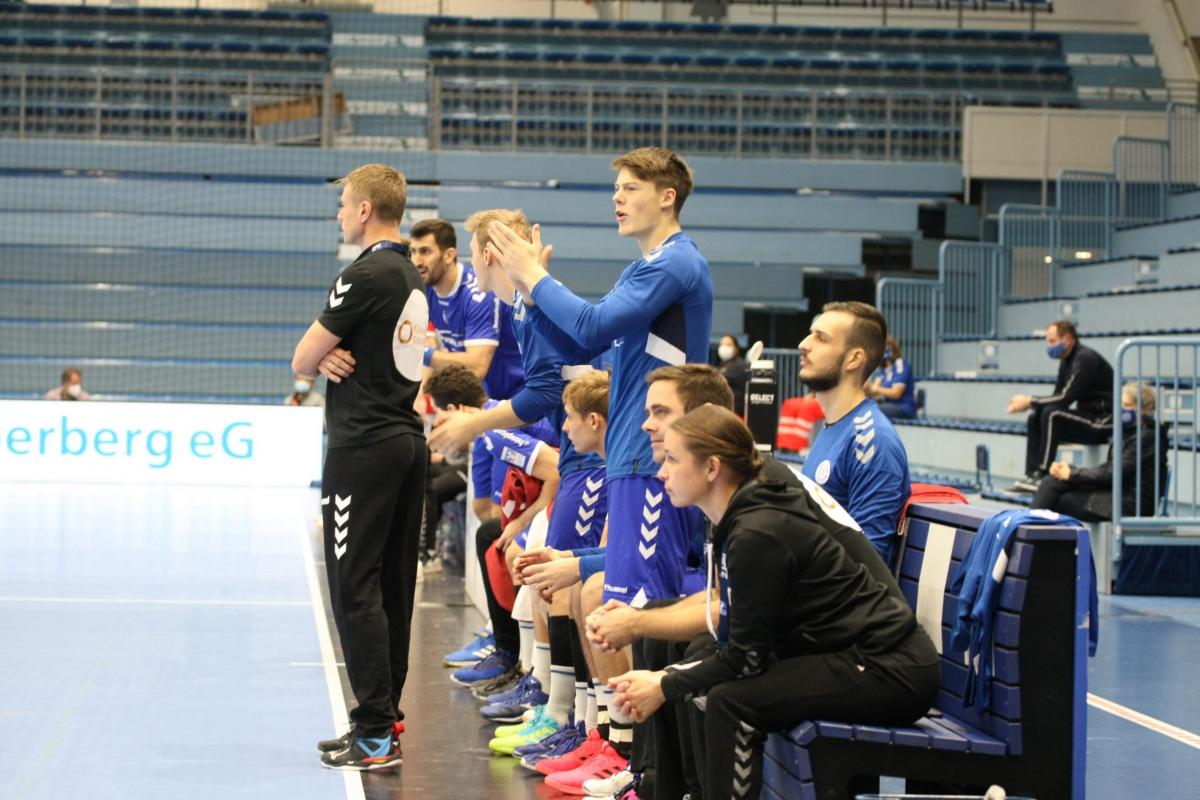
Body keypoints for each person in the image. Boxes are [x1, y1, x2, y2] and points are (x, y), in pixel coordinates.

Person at [485, 148, 713, 796]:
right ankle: (626, 756)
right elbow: (583, 344)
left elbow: (590, 323)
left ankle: (648, 771)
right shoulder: (647, 268)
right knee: (619, 605)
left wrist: (533, 276)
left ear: (667, 196)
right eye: (617, 187)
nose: (617, 197)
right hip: (632, 457)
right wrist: (530, 296)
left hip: (654, 458)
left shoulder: (676, 262)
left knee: (638, 612)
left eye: (631, 186)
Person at [609, 405, 940, 800]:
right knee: (704, 666)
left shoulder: (758, 532)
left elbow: (746, 659)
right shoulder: (739, 517)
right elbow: (738, 639)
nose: (662, 472)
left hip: (891, 667)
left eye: (673, 460)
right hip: (851, 654)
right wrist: (668, 674)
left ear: (712, 468)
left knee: (732, 702)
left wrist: (665, 684)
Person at [292, 163, 427, 771]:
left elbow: (302, 358)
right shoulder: (409, 273)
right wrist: (330, 357)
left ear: (367, 210)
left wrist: (320, 359)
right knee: (392, 586)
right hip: (403, 440)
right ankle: (383, 720)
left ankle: (373, 731)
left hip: (364, 446)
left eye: (345, 204)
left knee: (354, 586)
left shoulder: (364, 273)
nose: (340, 215)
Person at [797, 301, 911, 565]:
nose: (804, 344)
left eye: (821, 338)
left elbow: (867, 563)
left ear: (854, 359)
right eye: (810, 334)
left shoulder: (872, 440)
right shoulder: (833, 427)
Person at [410, 218, 525, 401]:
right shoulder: (425, 290)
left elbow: (477, 366)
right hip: (486, 397)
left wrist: (420, 353)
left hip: (521, 396)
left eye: (425, 252)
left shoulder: (478, 295)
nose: (416, 261)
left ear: (449, 255)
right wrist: (421, 394)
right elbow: (425, 342)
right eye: (413, 252)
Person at [1031, 381, 1169, 521]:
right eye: (1120, 404)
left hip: (1133, 503)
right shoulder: (1128, 432)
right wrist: (1068, 472)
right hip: (1116, 492)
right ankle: (1026, 528)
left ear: (1143, 410)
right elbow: (1110, 471)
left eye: (1127, 405)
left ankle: (1027, 529)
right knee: (1052, 481)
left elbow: (1113, 472)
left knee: (1058, 500)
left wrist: (1072, 473)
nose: (1121, 409)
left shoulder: (1146, 437)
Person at [1009, 320, 1115, 493]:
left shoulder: (1085, 359)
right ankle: (1032, 474)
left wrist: (1030, 401)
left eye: (1052, 341)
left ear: (1068, 340)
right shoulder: (1066, 361)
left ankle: (1043, 474)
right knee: (1037, 415)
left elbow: (1065, 398)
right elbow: (1056, 396)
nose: (1049, 346)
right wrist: (1031, 405)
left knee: (1052, 414)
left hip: (1103, 421)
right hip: (1087, 417)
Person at [867, 335, 916, 420]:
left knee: (869, 410)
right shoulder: (883, 370)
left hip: (903, 407)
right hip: (886, 405)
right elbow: (874, 392)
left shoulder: (900, 364)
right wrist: (867, 388)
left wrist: (875, 388)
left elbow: (896, 393)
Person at [715, 334, 749, 417]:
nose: (724, 348)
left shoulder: (742, 366)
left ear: (736, 348)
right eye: (722, 344)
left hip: (736, 413)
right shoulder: (721, 366)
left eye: (728, 345)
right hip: (723, 411)